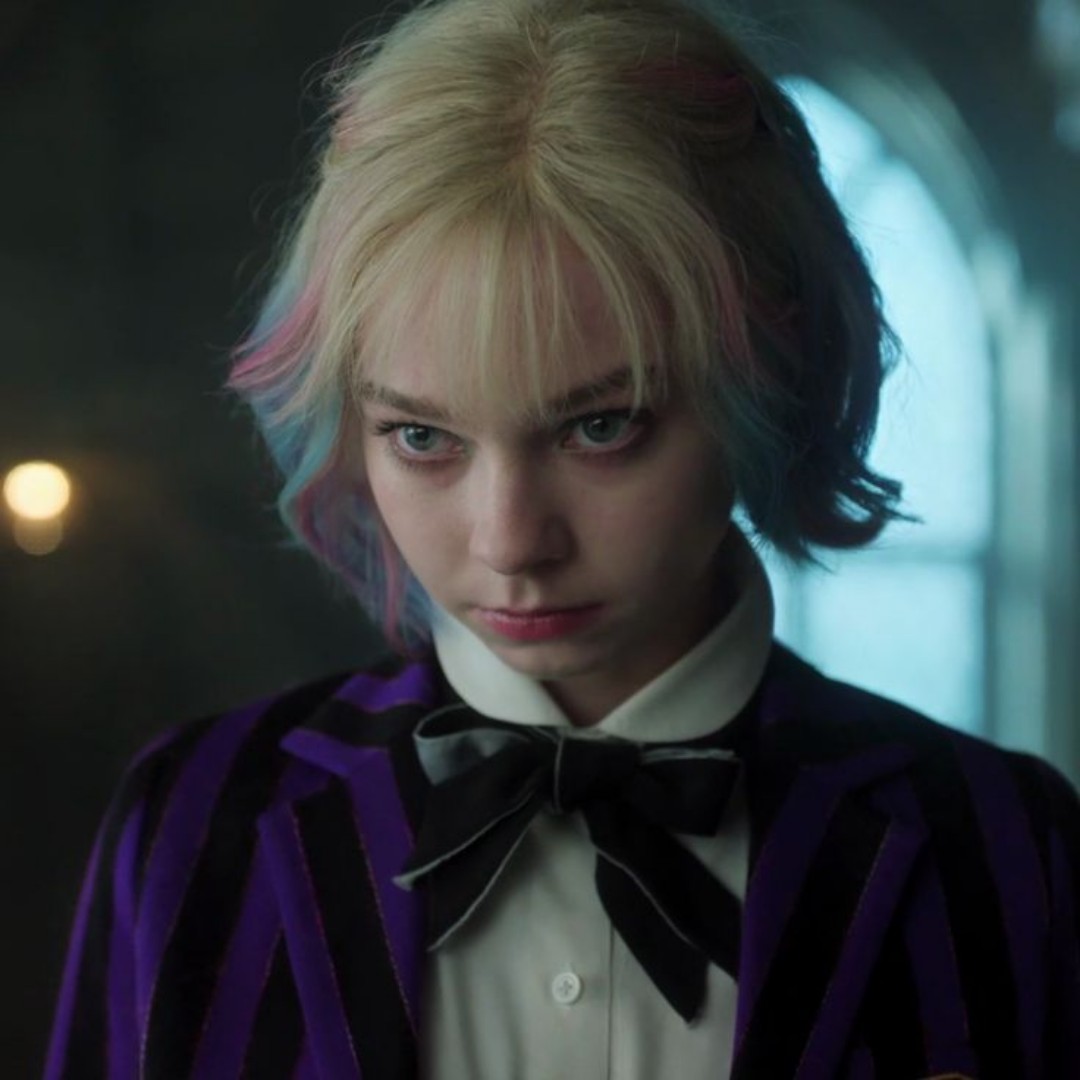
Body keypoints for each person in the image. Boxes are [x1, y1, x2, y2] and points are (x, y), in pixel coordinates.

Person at [44, 0, 1080, 1076]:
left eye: (601, 427)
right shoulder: (193, 824)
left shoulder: (1007, 850)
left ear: (771, 389)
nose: (510, 544)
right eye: (422, 437)